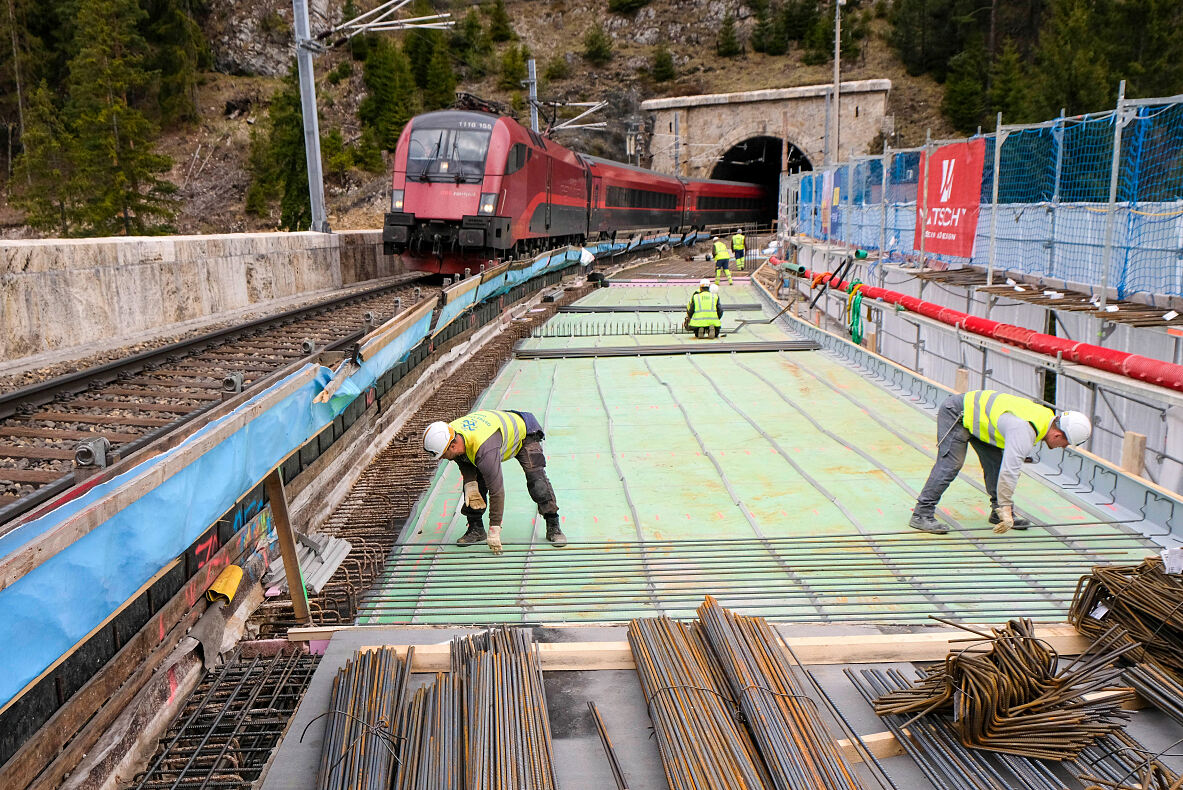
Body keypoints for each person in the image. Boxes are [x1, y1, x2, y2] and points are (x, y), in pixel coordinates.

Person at [909, 390, 1092, 535]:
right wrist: (1007, 508)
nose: (1063, 447)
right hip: (958, 413)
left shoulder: (1045, 417)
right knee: (951, 465)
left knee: (994, 465)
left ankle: (997, 514)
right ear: (1058, 434)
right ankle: (921, 513)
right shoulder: (1024, 429)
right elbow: (1010, 471)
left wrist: (1004, 510)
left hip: (981, 421)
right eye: (1065, 443)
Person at [423, 410, 566, 553]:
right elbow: (461, 459)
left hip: (525, 434)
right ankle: (476, 529)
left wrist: (494, 529)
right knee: (473, 488)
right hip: (492, 436)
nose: (443, 459)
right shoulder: (451, 434)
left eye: (443, 455)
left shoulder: (484, 449)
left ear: (452, 446)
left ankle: (553, 524)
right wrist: (470, 482)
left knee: (537, 481)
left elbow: (496, 490)